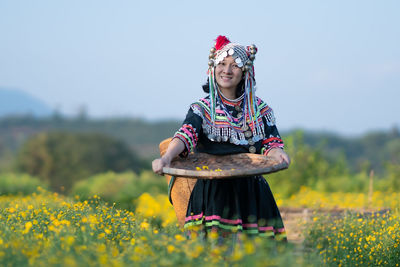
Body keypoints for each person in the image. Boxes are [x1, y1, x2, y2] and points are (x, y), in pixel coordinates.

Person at [152, 35, 290, 241]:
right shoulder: (202, 108)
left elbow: (271, 144)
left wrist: (280, 155)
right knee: (214, 253)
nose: (227, 70)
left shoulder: (259, 109)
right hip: (213, 192)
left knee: (259, 256)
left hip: (251, 192)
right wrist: (166, 158)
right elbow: (186, 134)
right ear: (213, 68)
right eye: (222, 64)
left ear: (244, 73)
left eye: (235, 65)